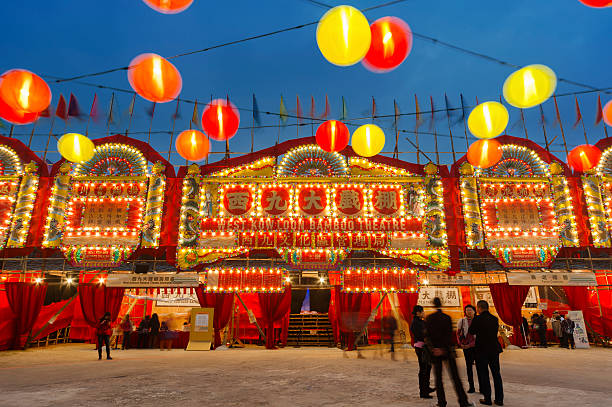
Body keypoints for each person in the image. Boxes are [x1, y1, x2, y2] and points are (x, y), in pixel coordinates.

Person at [425, 297, 473, 407]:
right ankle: (463, 401)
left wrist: (434, 349)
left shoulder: (429, 318)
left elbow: (427, 336)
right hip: (448, 351)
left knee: (438, 379)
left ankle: (441, 402)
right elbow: (449, 336)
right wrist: (444, 349)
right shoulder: (447, 317)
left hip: (435, 352)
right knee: (455, 377)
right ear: (441, 304)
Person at [468, 300, 503, 406]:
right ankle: (499, 399)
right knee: (496, 374)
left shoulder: (477, 319)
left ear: (478, 308)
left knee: (484, 375)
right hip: (494, 349)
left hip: (481, 350)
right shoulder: (494, 319)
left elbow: (471, 331)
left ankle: (487, 399)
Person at [410, 305, 435, 399]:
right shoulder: (416, 323)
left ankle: (426, 387)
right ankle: (423, 391)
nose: (424, 313)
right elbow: (421, 335)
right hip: (421, 348)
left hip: (425, 347)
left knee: (427, 367)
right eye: (422, 311)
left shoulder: (421, 321)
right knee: (423, 368)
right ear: (418, 313)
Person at [457, 304, 478, 393]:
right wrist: (460, 344)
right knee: (469, 368)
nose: (468, 312)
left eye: (470, 310)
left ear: (474, 311)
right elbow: (458, 334)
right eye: (467, 310)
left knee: (480, 368)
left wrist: (471, 345)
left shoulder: (478, 320)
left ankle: (482, 386)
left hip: (477, 347)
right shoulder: (462, 321)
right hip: (466, 347)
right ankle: (471, 387)